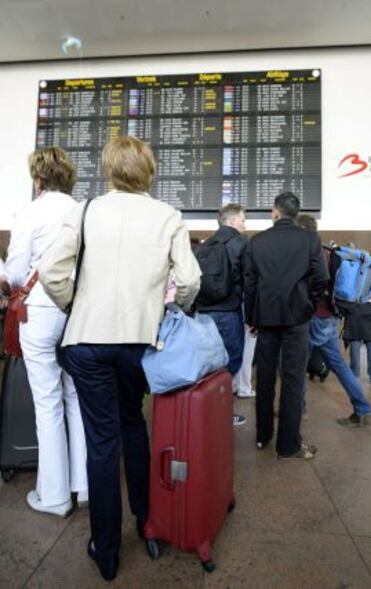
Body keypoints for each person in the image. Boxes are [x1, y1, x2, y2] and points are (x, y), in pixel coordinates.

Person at [38, 136, 201, 582]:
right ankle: (147, 524)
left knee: (101, 442)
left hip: (87, 341)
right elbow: (188, 281)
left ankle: (105, 550)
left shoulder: (86, 210)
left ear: (109, 168)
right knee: (134, 425)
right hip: (138, 344)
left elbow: (52, 271)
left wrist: (75, 303)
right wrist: (166, 309)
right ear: (149, 170)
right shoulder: (168, 216)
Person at [3, 147, 88, 516]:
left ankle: (52, 496)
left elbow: (19, 271)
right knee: (75, 396)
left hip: (39, 310)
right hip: (78, 311)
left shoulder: (30, 212)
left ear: (37, 179)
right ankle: (83, 486)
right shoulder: (83, 211)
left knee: (47, 402)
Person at [244, 193, 328, 459]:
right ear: (296, 213)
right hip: (297, 318)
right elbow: (321, 277)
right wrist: (309, 303)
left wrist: (252, 317)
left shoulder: (256, 242)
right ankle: (288, 445)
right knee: (293, 379)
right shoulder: (309, 239)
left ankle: (262, 436)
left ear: (274, 212)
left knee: (265, 377)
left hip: (266, 318)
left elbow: (249, 284)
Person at [297, 214, 371, 427]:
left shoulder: (310, 252)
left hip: (313, 317)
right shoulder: (331, 252)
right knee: (339, 366)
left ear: (303, 230)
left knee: (297, 364)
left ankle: (299, 409)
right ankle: (364, 409)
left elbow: (316, 283)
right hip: (330, 318)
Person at [196, 204, 248, 425]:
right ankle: (222, 413)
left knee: (208, 362)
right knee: (231, 361)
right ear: (233, 221)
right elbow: (249, 280)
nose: (245, 224)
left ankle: (204, 409)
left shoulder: (206, 245)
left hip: (203, 312)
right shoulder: (240, 243)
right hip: (228, 311)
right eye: (243, 220)